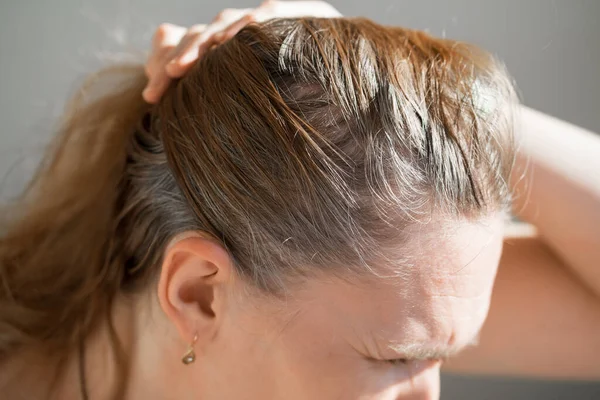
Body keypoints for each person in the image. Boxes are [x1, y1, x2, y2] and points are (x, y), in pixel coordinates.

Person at [0, 1, 599, 399]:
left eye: (441, 356)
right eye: (394, 360)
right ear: (199, 294)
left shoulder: (393, 312)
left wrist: (465, 111)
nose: (429, 394)